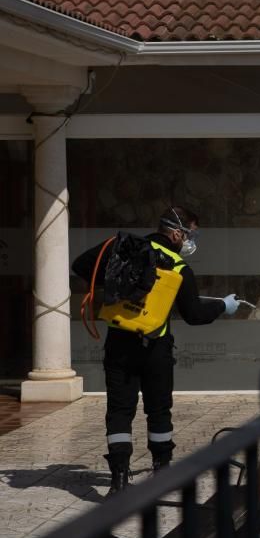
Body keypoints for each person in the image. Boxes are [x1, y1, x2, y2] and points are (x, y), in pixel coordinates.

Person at [72, 207, 238, 495]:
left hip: (120, 344)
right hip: (155, 349)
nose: (191, 240)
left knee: (119, 412)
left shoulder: (124, 249)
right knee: (158, 410)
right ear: (176, 233)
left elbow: (81, 265)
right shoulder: (178, 267)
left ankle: (119, 481)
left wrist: (113, 267)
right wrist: (224, 305)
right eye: (190, 234)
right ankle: (162, 473)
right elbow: (194, 314)